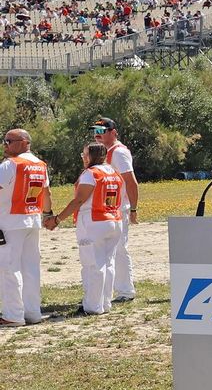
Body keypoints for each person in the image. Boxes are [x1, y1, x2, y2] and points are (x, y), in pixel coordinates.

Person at [47, 142, 125, 316]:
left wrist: (58, 219)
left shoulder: (91, 174)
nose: (83, 158)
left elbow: (79, 200)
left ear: (91, 156)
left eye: (84, 154)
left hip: (94, 222)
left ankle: (92, 306)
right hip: (114, 220)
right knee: (108, 263)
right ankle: (105, 303)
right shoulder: (114, 172)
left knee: (92, 264)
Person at [0, 129, 52, 326]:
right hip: (32, 220)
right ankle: (32, 312)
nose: (5, 145)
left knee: (8, 269)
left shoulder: (10, 165)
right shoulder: (40, 165)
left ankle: (13, 315)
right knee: (30, 268)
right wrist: (47, 214)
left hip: (9, 223)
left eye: (8, 141)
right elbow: (46, 194)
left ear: (23, 142)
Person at [90, 117, 139, 301]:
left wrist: (133, 209)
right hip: (107, 209)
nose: (97, 135)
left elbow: (131, 182)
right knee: (109, 250)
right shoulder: (104, 152)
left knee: (119, 249)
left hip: (119, 208)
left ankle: (126, 291)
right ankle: (109, 290)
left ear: (113, 132)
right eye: (95, 131)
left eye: (102, 131)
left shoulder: (118, 153)